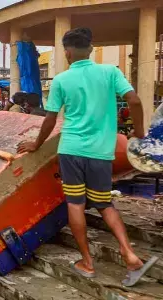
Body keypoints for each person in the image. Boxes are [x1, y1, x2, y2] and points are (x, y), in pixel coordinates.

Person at [17, 27, 158, 287]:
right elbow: (135, 101)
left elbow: (50, 119)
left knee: (75, 204)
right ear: (91, 49)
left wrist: (36, 145)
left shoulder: (61, 80)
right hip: (101, 152)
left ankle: (87, 263)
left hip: (71, 150)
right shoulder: (111, 72)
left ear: (68, 53)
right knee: (105, 204)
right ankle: (130, 255)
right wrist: (139, 133)